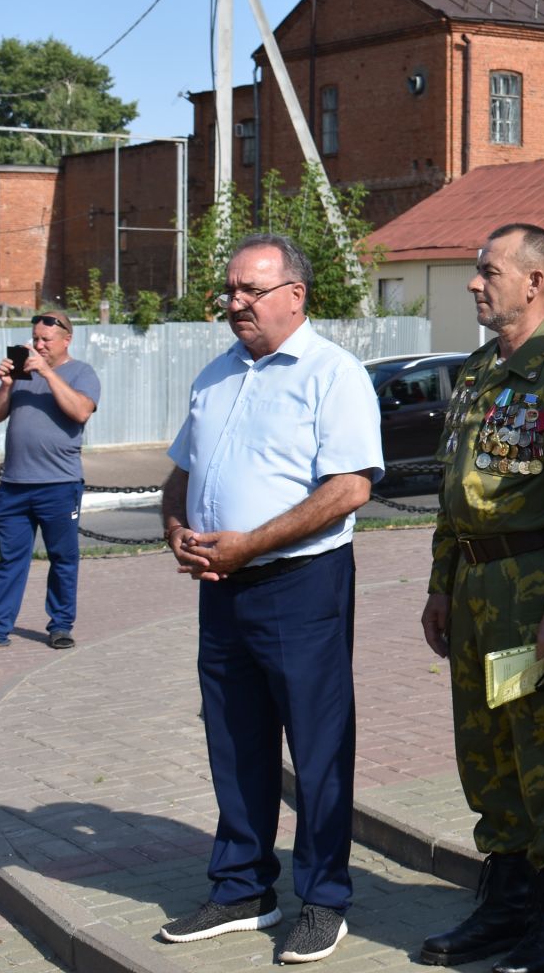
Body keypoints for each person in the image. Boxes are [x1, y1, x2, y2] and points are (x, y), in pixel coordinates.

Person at [155, 234, 383, 965]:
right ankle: (243, 886)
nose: (235, 304)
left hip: (299, 585)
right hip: (220, 589)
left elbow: (349, 488)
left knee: (316, 749)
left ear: (296, 295)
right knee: (234, 738)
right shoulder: (217, 374)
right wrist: (176, 529)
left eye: (251, 291)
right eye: (230, 291)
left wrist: (250, 543)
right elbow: (181, 472)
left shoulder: (333, 374)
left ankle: (324, 897)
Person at [418, 223, 544, 973]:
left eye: (487, 270)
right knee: (485, 752)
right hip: (472, 585)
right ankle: (507, 905)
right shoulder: (474, 374)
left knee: (543, 752)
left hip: (535, 592)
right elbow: (449, 491)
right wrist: (439, 585)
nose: (473, 282)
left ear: (534, 282)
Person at [0, 310, 100, 652]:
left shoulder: (82, 373)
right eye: (35, 339)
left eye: (45, 340)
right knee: (11, 561)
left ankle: (60, 626)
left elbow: (80, 412)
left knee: (63, 558)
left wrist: (47, 373)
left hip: (59, 485)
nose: (38, 345)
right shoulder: (20, 375)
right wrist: (5, 386)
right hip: (15, 486)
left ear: (66, 340)